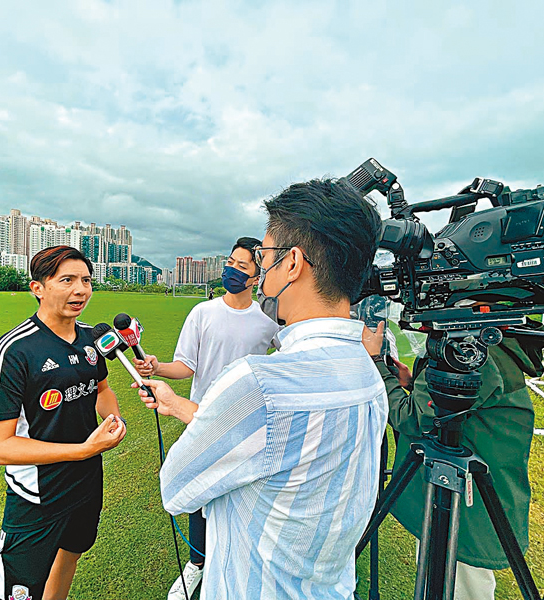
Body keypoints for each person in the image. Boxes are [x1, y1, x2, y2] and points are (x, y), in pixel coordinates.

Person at [135, 178, 387, 600]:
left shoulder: (260, 382)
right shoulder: (369, 372)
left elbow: (176, 487)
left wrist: (185, 409)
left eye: (264, 257)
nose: (259, 269)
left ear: (292, 263)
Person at [134, 236, 280, 599]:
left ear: (257, 276)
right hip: (198, 418)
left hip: (245, 425)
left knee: (237, 495)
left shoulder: (269, 321)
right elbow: (186, 366)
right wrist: (158, 367)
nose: (231, 270)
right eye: (230, 262)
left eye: (242, 266)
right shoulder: (203, 312)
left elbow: (284, 362)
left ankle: (234, 560)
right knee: (198, 497)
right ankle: (198, 564)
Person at [362, 315, 544, 600]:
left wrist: (375, 362)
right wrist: (413, 385)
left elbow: (412, 418)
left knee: (462, 581)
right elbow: (445, 409)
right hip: (463, 489)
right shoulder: (487, 343)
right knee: (445, 566)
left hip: (466, 503)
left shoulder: (474, 355)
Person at [0, 245, 126, 600]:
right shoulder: (14, 352)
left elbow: (101, 388)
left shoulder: (93, 339)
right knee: (18, 592)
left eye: (87, 280)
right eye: (67, 280)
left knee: (71, 554)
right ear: (38, 288)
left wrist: (113, 418)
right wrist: (82, 449)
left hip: (87, 481)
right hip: (37, 495)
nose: (81, 290)